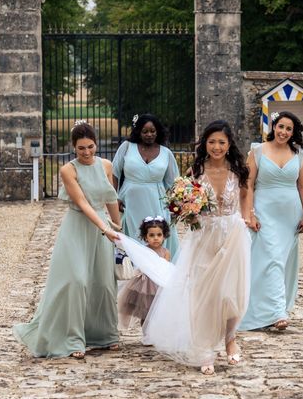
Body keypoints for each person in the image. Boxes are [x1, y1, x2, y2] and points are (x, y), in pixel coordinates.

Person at [125, 120, 251, 375]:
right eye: (212, 141)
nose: (216, 147)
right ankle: (204, 346)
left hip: (232, 235)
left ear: (229, 145)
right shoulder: (196, 171)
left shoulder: (238, 170)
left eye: (222, 142)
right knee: (201, 293)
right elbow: (181, 202)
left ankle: (229, 339)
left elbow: (246, 194)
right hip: (204, 237)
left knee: (230, 294)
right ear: (205, 143)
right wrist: (189, 212)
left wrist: (247, 218)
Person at [13, 122, 122, 359]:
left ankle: (105, 334)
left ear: (96, 144)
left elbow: (110, 197)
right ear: (73, 148)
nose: (86, 152)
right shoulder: (67, 171)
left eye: (90, 147)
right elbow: (83, 203)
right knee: (77, 281)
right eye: (81, 148)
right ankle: (72, 339)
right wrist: (105, 228)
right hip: (77, 227)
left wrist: (118, 226)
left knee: (103, 282)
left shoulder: (106, 165)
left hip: (102, 228)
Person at [239, 111, 303, 332]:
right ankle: (278, 312)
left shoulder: (298, 154)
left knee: (281, 260)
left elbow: (302, 187)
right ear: (273, 127)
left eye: (289, 129)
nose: (284, 132)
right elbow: (248, 184)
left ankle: (270, 308)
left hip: (289, 215)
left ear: (293, 132)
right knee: (272, 258)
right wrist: (250, 213)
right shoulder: (257, 150)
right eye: (281, 127)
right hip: (264, 210)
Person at [112, 113, 179, 258]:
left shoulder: (166, 153)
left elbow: (174, 182)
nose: (149, 134)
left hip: (157, 201)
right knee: (133, 237)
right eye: (145, 131)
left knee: (155, 237)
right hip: (130, 201)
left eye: (152, 131)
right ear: (138, 132)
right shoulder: (127, 147)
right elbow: (115, 172)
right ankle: (135, 273)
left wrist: (174, 205)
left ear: (158, 132)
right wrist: (115, 198)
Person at [118, 216, 171, 329]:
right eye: (151, 235)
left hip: (159, 284)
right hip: (145, 285)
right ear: (145, 237)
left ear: (164, 235)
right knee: (145, 311)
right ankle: (146, 333)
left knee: (158, 311)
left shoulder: (166, 252)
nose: (155, 238)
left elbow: (165, 268)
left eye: (159, 235)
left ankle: (155, 333)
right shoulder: (144, 250)